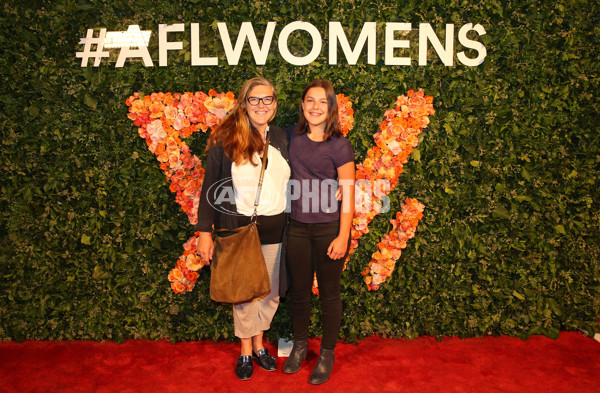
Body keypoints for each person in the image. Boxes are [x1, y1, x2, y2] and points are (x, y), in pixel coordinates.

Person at [195, 77, 290, 381]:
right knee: (245, 293)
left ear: (275, 105)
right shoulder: (226, 138)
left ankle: (262, 344)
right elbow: (211, 187)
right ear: (244, 103)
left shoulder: (282, 138)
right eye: (254, 99)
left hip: (277, 229)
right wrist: (205, 232)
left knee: (271, 293)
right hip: (239, 230)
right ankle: (247, 350)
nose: (261, 105)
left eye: (267, 99)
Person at [283, 79, 355, 384]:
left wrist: (342, 236)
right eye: (310, 101)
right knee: (298, 293)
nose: (315, 107)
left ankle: (326, 353)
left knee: (329, 294)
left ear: (331, 108)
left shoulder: (340, 145)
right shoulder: (289, 137)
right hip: (296, 228)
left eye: (322, 102)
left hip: (329, 231)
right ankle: (299, 347)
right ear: (302, 105)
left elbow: (348, 195)